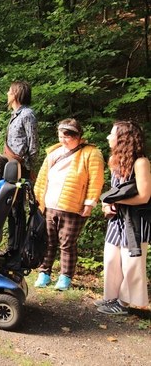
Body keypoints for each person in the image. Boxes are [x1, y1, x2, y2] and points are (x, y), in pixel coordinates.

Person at [33, 119, 104, 290]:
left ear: (78, 136)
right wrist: (37, 200)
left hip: (74, 205)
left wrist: (90, 203)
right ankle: (44, 272)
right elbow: (43, 178)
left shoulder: (91, 153)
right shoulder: (54, 152)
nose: (63, 140)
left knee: (67, 242)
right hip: (50, 203)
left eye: (67, 137)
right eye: (60, 136)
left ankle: (65, 276)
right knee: (48, 240)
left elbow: (96, 180)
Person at [96, 121, 150, 315]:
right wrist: (106, 204)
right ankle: (111, 297)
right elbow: (114, 191)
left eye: (112, 134)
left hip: (135, 221)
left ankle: (124, 302)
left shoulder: (141, 162)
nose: (108, 137)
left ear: (123, 138)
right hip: (117, 218)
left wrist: (119, 203)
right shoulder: (115, 161)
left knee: (131, 262)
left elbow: (144, 196)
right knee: (111, 258)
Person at [4, 81, 39, 180]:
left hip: (22, 166)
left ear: (16, 94)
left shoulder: (27, 114)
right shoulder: (15, 114)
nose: (7, 93)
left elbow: (34, 143)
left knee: (19, 195)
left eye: (9, 91)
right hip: (11, 164)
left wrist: (30, 167)